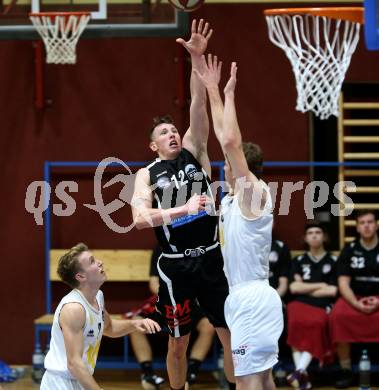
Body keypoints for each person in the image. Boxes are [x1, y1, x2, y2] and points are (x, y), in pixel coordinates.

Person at [131, 20, 234, 390]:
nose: (172, 133)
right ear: (153, 145)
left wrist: (196, 58)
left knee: (228, 335)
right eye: (164, 132)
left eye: (173, 129)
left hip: (211, 258)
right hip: (175, 267)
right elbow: (140, 219)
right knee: (177, 342)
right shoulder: (146, 174)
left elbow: (197, 103)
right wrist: (182, 210)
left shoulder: (196, 151)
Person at [195, 55, 283, 389]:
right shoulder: (232, 198)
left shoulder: (254, 194)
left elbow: (229, 141)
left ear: (240, 168)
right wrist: (211, 91)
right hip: (245, 297)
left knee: (248, 384)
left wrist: (225, 94)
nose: (225, 167)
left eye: (229, 165)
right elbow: (223, 136)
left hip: (252, 297)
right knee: (263, 379)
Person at [40, 243, 161, 390]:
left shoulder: (98, 296)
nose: (100, 262)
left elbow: (109, 328)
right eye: (92, 261)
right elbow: (74, 363)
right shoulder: (74, 309)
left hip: (79, 379)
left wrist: (135, 324)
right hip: (60, 384)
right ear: (81, 276)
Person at [128, 246, 215, 389]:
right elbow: (153, 283)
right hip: (164, 302)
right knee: (137, 323)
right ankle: (148, 374)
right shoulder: (161, 248)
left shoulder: (198, 247)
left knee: (208, 325)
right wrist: (171, 297)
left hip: (190, 302)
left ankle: (190, 375)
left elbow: (204, 282)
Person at [330, 210, 379, 388]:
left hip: (378, 297)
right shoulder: (349, 250)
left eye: (370, 222)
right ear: (357, 227)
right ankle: (346, 370)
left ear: (376, 225)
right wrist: (356, 303)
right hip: (355, 296)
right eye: (362, 223)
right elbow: (343, 283)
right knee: (338, 316)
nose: (366, 226)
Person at [286, 221, 338, 390]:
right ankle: (301, 374)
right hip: (299, 303)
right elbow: (294, 288)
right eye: (310, 233)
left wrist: (306, 287)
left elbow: (332, 291)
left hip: (322, 305)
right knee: (294, 323)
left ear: (324, 237)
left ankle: (299, 371)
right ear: (306, 238)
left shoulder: (333, 260)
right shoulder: (299, 260)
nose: (314, 235)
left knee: (316, 324)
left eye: (318, 232)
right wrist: (320, 285)